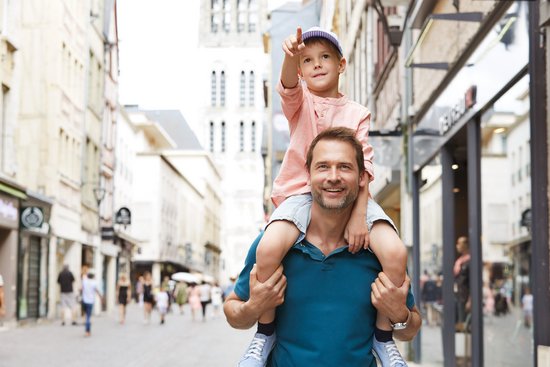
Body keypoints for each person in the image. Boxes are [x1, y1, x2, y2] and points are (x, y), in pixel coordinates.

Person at [239, 26, 409, 367]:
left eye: (325, 57)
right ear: (300, 70)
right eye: (307, 60)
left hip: (352, 194)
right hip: (299, 194)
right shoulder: (300, 102)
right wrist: (289, 57)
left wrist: (360, 213)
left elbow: (364, 166)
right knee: (269, 247)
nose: (316, 65)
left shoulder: (357, 112)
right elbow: (287, 85)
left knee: (394, 251)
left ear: (342, 64)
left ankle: (383, 338)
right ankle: (265, 332)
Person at [225, 127, 421, 366]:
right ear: (309, 175)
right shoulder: (274, 244)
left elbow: (410, 329)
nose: (333, 176)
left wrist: (399, 315)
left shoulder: (379, 249)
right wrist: (254, 307)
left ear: (362, 177)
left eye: (345, 167)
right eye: (323, 166)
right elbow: (234, 313)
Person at [453, 236, 471, 326]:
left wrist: (470, 300)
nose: (457, 246)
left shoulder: (470, 261)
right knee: (459, 323)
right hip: (458, 296)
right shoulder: (459, 261)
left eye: (459, 243)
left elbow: (472, 283)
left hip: (465, 297)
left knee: (465, 324)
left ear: (465, 245)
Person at [81, 270, 102, 337]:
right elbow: (97, 291)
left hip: (84, 300)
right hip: (90, 301)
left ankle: (87, 329)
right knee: (88, 317)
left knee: (86, 315)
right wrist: (100, 297)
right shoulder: (94, 283)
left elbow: (81, 289)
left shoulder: (84, 281)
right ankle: (87, 331)